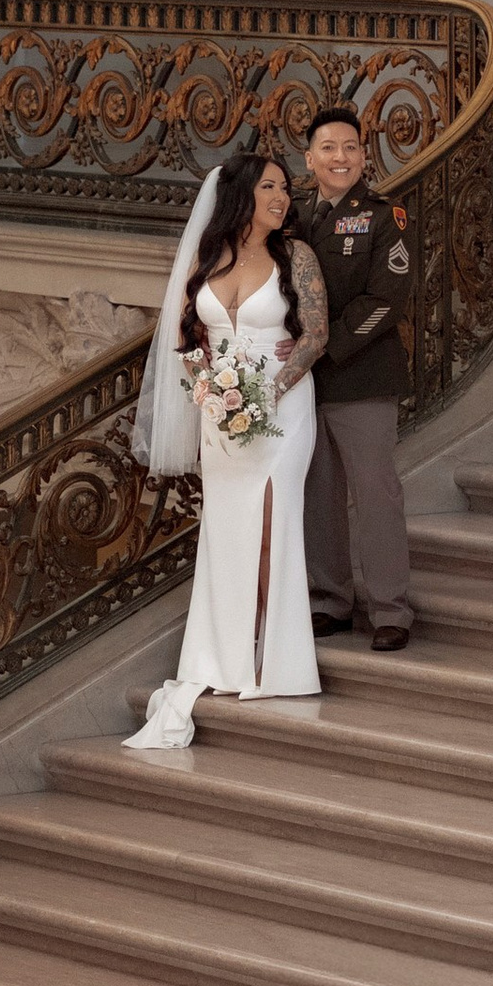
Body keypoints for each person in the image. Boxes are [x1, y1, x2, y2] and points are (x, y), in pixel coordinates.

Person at [122, 143, 328, 751]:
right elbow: (185, 338)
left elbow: (317, 333)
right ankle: (224, 655)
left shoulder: (298, 256)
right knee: (227, 527)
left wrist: (271, 390)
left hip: (284, 405)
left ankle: (275, 661)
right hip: (221, 408)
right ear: (241, 195)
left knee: (274, 520)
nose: (281, 197)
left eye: (285, 188)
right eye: (269, 187)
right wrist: (211, 394)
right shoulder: (207, 258)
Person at [294, 104, 416, 652]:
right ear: (310, 158)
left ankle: (391, 608)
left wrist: (326, 345)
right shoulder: (292, 215)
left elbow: (387, 299)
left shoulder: (385, 216)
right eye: (328, 148)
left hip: (361, 373)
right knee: (318, 493)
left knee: (375, 495)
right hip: (304, 382)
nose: (339, 157)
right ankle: (330, 601)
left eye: (350, 148)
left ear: (364, 155)